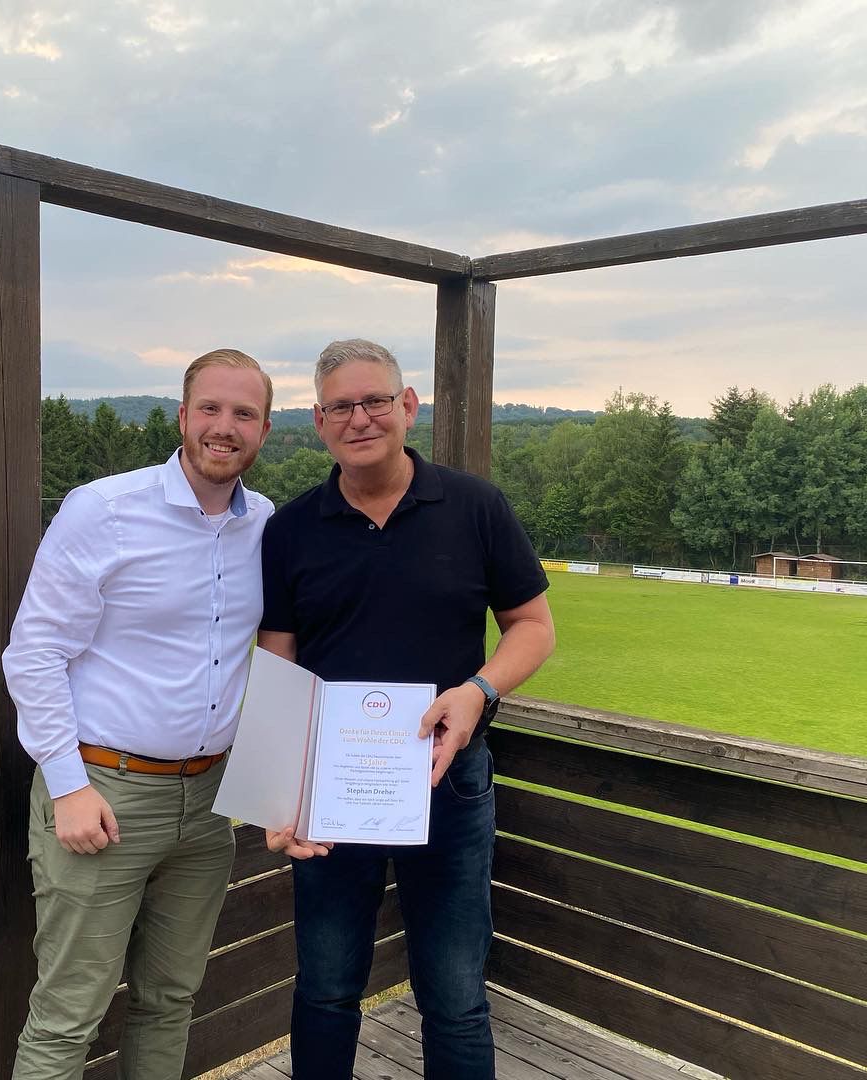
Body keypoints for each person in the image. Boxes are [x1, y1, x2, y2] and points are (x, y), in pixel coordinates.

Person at [258, 338, 555, 1080]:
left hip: (449, 781)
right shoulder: (291, 528)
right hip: (332, 788)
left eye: (375, 401)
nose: (359, 418)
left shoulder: (476, 507)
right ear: (318, 422)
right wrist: (276, 792)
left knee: (454, 995)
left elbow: (533, 626)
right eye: (340, 407)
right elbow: (277, 663)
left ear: (408, 406)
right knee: (326, 987)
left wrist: (478, 691)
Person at [3, 348, 277, 1080]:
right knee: (68, 1015)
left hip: (207, 804)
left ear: (265, 429)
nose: (224, 426)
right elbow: (33, 654)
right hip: (103, 793)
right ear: (183, 417)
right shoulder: (105, 510)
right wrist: (68, 786)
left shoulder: (264, 526)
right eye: (210, 408)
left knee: (170, 999)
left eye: (244, 413)